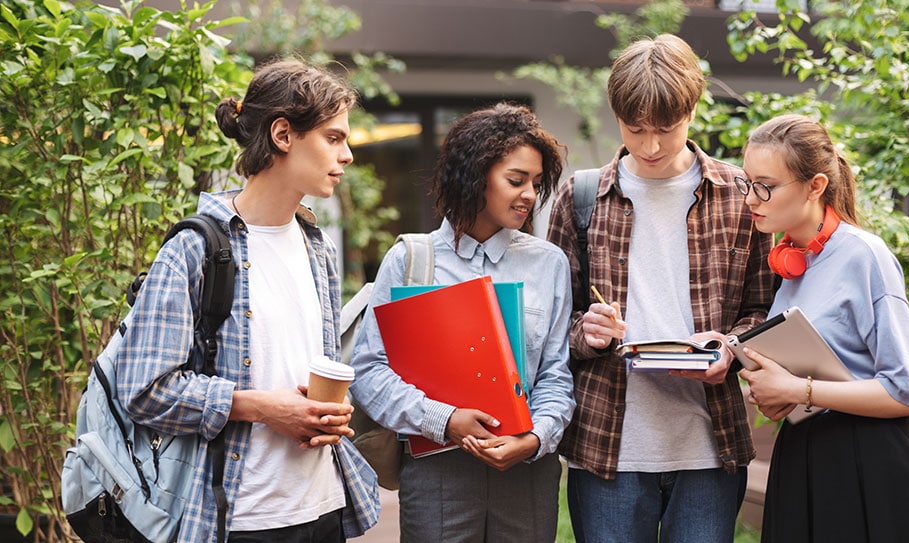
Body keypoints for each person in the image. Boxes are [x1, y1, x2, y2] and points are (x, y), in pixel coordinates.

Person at [117, 58, 379, 542]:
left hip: (324, 508)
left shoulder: (315, 244)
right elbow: (141, 389)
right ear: (283, 135)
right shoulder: (195, 248)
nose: (347, 155)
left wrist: (320, 415)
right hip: (240, 518)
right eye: (334, 138)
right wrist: (260, 407)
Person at [545, 34, 775, 542]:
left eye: (665, 130)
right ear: (617, 115)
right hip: (607, 448)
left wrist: (730, 348)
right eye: (635, 129)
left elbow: (766, 307)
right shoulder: (582, 197)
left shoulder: (741, 196)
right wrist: (588, 331)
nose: (649, 146)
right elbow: (549, 327)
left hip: (710, 449)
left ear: (692, 109)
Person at [349, 102, 575, 542]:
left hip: (526, 474)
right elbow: (369, 371)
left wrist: (535, 438)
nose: (530, 194)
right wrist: (444, 418)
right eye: (516, 180)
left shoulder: (549, 264)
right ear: (475, 177)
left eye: (536, 182)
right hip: (437, 474)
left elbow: (556, 374)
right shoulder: (412, 261)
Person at [736, 114, 909, 542]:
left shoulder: (864, 256)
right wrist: (775, 394)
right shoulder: (789, 260)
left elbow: (906, 390)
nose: (751, 198)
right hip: (806, 454)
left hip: (873, 461)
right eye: (747, 182)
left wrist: (798, 391)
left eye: (766, 185)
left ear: (815, 186)